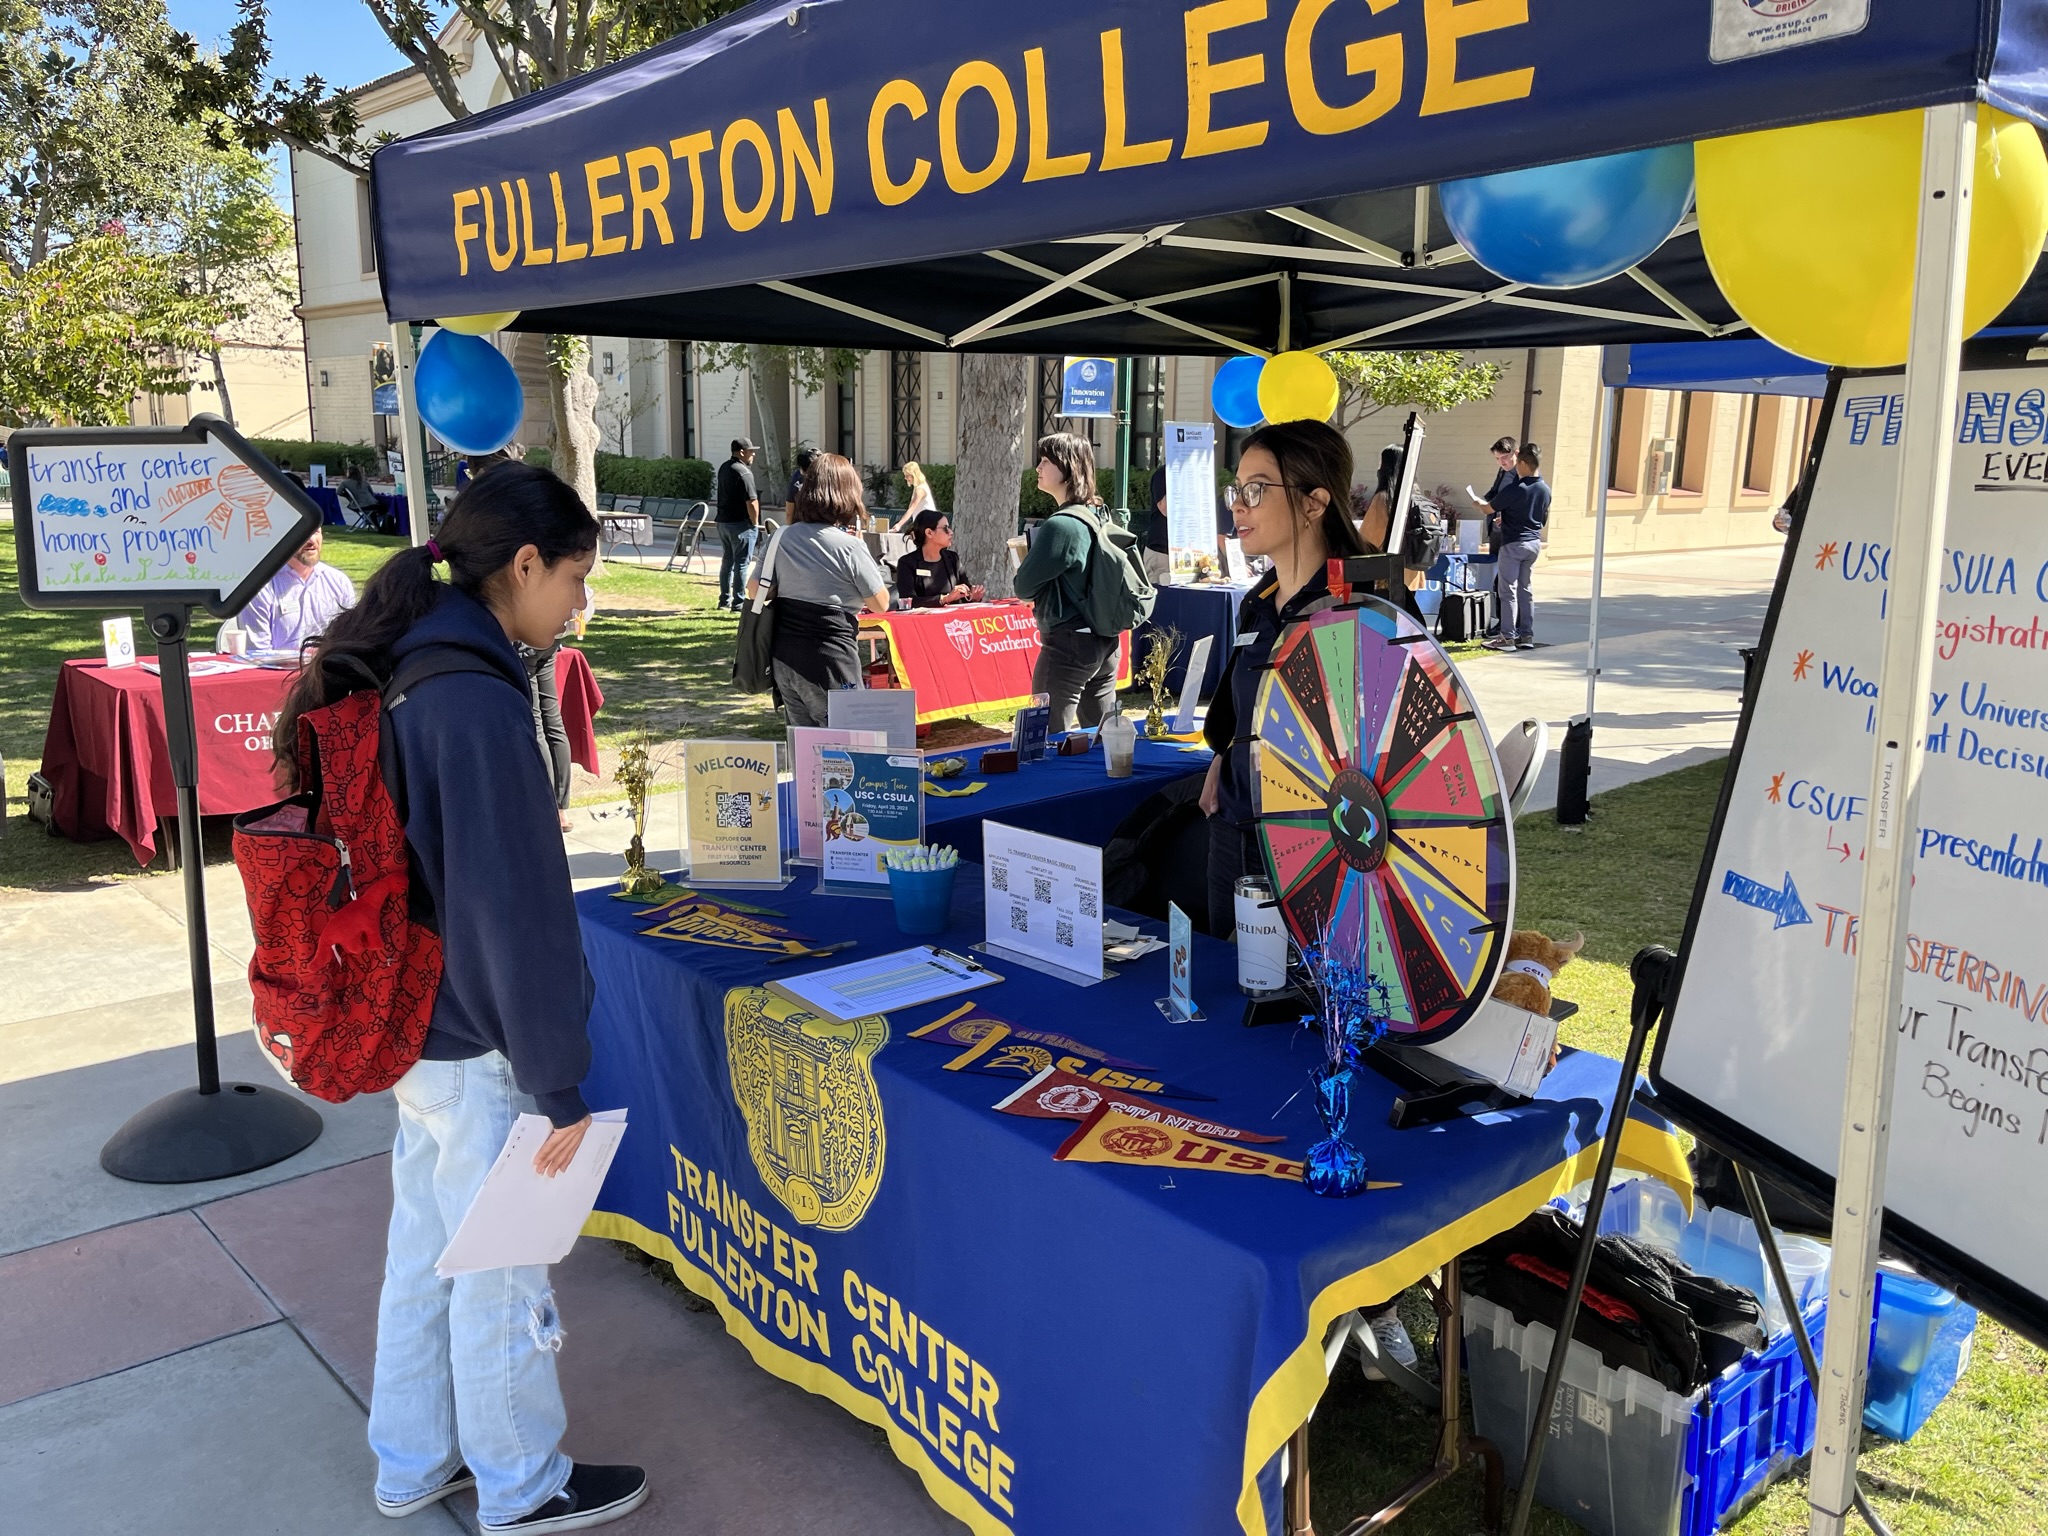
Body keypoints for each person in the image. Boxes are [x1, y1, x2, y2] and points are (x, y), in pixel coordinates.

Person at [269, 463, 647, 1534]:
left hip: (412, 1024)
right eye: (574, 577)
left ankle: (413, 1459)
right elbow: (508, 912)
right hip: (475, 1035)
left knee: (426, 1257)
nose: (578, 602)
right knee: (498, 1272)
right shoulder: (471, 702)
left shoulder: (409, 660)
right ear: (522, 565)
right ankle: (522, 1485)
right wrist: (556, 1079)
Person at [1199, 420, 1368, 937]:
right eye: (1237, 489)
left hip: (1314, 844)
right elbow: (1248, 707)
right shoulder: (1259, 601)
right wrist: (1224, 756)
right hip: (1235, 827)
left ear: (1314, 503)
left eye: (1256, 489)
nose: (1238, 505)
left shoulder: (1359, 611)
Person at [749, 452, 891, 727]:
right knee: (847, 747)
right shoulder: (849, 546)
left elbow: (755, 590)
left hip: (784, 657)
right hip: (830, 659)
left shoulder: (781, 537)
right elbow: (880, 603)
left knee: (804, 750)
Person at [1014, 432, 1122, 732]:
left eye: (1046, 461)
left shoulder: (1060, 525)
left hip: (1068, 644)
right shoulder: (1099, 514)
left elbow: (1023, 586)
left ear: (1068, 468)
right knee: (1103, 741)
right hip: (1105, 641)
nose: (1038, 467)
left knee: (1043, 740)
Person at [238, 525, 357, 654]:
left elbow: (352, 639)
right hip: (278, 671)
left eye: (316, 532)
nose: (312, 541)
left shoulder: (338, 582)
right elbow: (258, 653)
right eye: (304, 533)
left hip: (329, 669)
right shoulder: (260, 587)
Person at [1486, 442, 1552, 651]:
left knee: (1507, 591)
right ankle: (1526, 635)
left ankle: (1507, 637)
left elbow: (1489, 506)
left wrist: (1478, 504)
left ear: (1522, 463)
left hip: (1514, 543)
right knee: (1525, 589)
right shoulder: (1544, 489)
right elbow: (1541, 518)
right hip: (1533, 543)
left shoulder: (1517, 487)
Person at [1357, 445, 1427, 617]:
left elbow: (1368, 539)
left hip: (1387, 576)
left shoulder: (1383, 499)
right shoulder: (1416, 495)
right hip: (1412, 570)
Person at [894, 509, 984, 607]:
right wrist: (944, 599)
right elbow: (908, 601)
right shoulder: (907, 563)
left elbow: (965, 595)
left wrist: (974, 596)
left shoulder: (953, 559)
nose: (951, 532)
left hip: (951, 620)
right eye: (945, 528)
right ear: (929, 533)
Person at [714, 437, 761, 611]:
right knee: (741, 563)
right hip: (741, 525)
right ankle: (738, 603)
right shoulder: (744, 472)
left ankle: (724, 600)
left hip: (723, 521)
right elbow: (752, 502)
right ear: (741, 452)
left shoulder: (725, 467)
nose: (753, 454)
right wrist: (755, 523)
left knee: (727, 562)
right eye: (750, 451)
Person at [889, 461, 936, 533]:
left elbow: (912, 508)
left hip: (928, 524)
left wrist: (899, 524)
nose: (905, 478)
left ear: (913, 475)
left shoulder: (920, 489)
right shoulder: (918, 486)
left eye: (907, 475)